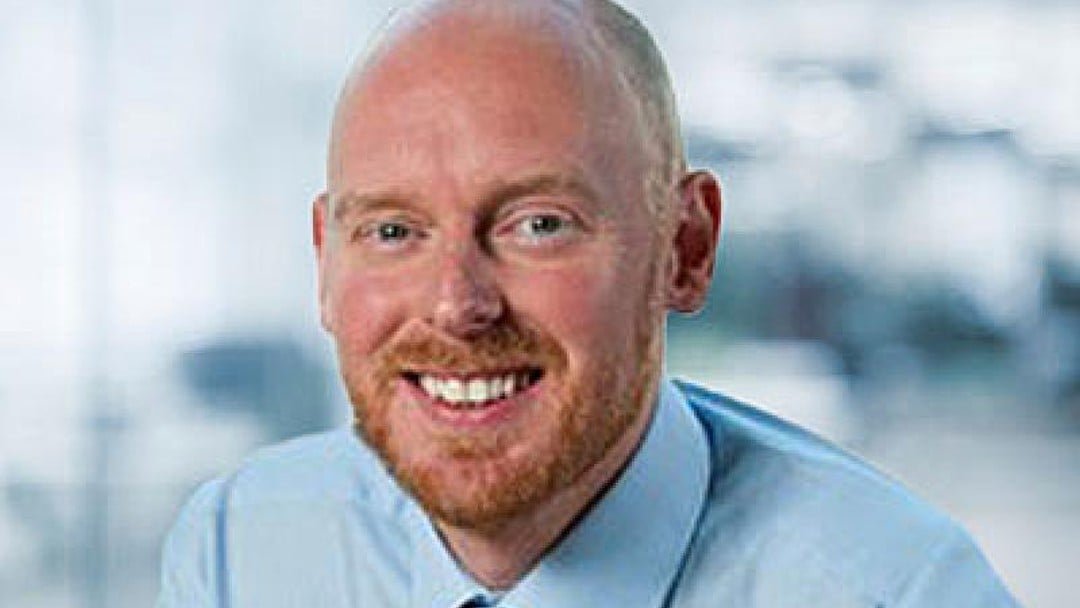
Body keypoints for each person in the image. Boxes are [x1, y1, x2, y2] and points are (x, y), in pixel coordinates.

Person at [156, 0, 1020, 606]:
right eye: (392, 231)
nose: (457, 305)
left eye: (539, 224)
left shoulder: (899, 591)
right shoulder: (239, 550)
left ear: (685, 249)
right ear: (324, 261)